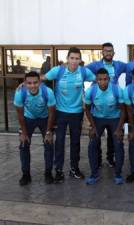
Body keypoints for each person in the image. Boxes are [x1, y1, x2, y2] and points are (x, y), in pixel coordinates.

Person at [44, 47, 96, 183]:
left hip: (77, 113)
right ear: (67, 58)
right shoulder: (58, 70)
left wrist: (91, 95)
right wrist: (24, 85)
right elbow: (42, 78)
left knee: (75, 142)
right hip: (60, 113)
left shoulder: (84, 71)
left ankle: (74, 169)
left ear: (80, 60)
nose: (74, 61)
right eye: (72, 58)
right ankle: (59, 171)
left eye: (77, 58)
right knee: (59, 142)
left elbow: (99, 80)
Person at [86, 42, 127, 168]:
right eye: (106, 51)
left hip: (114, 107)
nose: (108, 53)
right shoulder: (95, 65)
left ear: (113, 53)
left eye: (110, 51)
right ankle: (97, 161)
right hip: (98, 108)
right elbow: (82, 70)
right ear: (102, 52)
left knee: (112, 137)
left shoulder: (118, 65)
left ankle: (110, 159)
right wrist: (93, 81)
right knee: (96, 137)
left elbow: (132, 66)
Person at [84, 68, 126, 185]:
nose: (103, 82)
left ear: (109, 79)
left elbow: (123, 110)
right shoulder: (91, 91)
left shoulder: (117, 90)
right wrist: (92, 127)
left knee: (118, 143)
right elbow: (87, 110)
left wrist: (119, 129)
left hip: (115, 118)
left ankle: (118, 174)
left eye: (105, 79)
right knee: (92, 144)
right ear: (96, 80)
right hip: (98, 118)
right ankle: (94, 174)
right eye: (100, 79)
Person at [14, 71, 56, 185]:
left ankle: (48, 173)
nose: (32, 86)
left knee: (49, 144)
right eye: (29, 83)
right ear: (25, 83)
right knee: (23, 144)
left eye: (35, 83)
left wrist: (48, 131)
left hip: (45, 118)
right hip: (28, 118)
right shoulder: (19, 93)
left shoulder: (48, 92)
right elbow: (20, 114)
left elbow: (52, 113)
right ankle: (26, 175)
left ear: (40, 82)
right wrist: (23, 132)